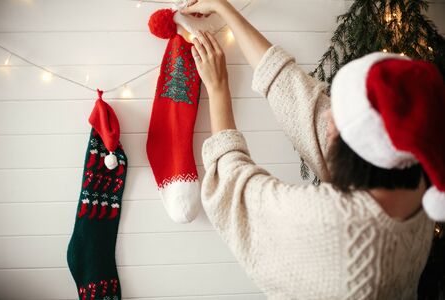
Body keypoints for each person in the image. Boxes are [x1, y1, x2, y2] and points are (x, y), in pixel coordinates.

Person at [181, 0, 445, 299]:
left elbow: (236, 192)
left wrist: (218, 89)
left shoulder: (338, 229)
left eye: (340, 113)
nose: (329, 114)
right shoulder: (416, 179)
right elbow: (297, 95)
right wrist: (225, 8)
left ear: (361, 146)